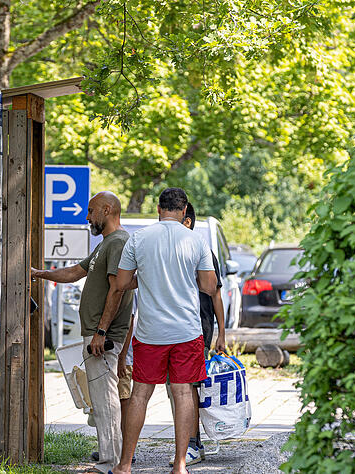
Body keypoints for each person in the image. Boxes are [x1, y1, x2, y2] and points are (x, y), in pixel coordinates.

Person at [109, 188, 218, 474]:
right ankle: (180, 465)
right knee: (183, 394)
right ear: (184, 211)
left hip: (149, 333)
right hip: (186, 331)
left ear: (158, 209)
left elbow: (121, 283)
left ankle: (125, 464)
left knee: (140, 395)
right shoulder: (196, 240)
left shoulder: (139, 238)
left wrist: (146, 279)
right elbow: (209, 286)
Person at [31, 191, 133, 474]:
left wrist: (101, 331)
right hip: (97, 333)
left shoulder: (119, 242)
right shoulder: (106, 244)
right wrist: (39, 273)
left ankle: (110, 464)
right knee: (99, 399)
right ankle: (109, 460)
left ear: (107, 209)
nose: (87, 216)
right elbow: (75, 272)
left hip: (104, 335)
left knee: (105, 399)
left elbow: (117, 289)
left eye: (91, 211)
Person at [166, 202, 227, 466]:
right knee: (176, 387)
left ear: (187, 221)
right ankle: (188, 441)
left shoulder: (203, 251)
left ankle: (192, 444)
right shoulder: (170, 251)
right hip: (174, 327)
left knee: (186, 386)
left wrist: (222, 334)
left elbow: (216, 295)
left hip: (197, 329)